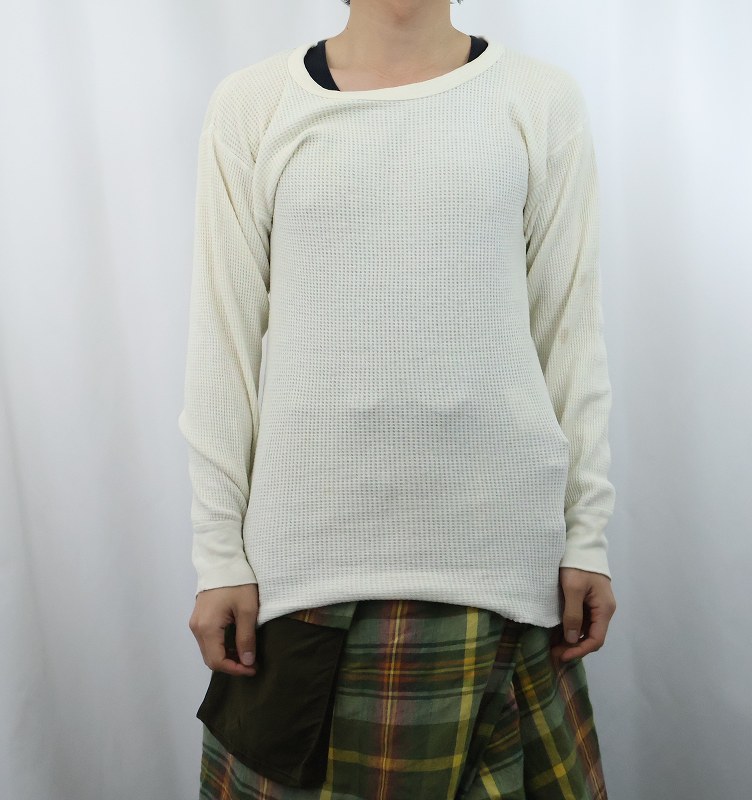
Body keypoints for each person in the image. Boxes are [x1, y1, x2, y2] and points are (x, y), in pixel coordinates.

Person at [180, 1, 617, 797]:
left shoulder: (539, 99)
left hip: (501, 562)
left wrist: (586, 536)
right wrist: (218, 557)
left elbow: (570, 335)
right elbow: (222, 349)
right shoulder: (253, 105)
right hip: (307, 575)